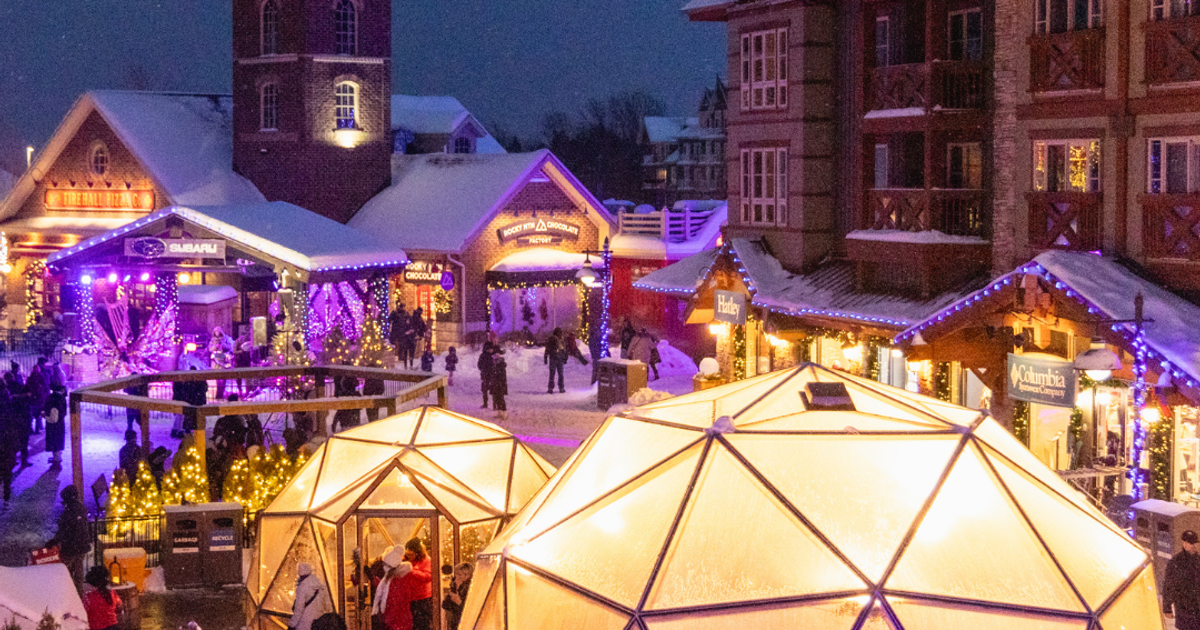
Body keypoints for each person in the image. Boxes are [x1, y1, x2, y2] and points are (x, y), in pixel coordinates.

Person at [49, 485, 91, 591]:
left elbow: (65, 530)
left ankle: (66, 592)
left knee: (65, 569)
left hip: (71, 546)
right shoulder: (81, 508)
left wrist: (54, 541)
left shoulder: (69, 511)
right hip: (82, 545)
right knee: (78, 570)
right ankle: (78, 593)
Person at [1165, 529, 1200, 629]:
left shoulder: (1198, 561)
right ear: (1184, 543)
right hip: (1183, 608)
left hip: (1198, 609)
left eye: (1194, 543)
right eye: (1190, 543)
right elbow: (1169, 585)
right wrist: (1167, 608)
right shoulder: (1175, 562)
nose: (1193, 546)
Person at [374, 548, 413, 630]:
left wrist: (388, 620)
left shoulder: (396, 580)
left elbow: (393, 600)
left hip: (396, 621)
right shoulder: (397, 578)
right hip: (401, 620)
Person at [400, 538, 433, 630]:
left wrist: (412, 571)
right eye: (407, 554)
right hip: (409, 597)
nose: (409, 556)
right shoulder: (405, 559)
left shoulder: (427, 561)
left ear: (418, 553)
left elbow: (428, 576)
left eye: (411, 554)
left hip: (422, 598)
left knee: (423, 624)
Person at [290, 562, 332, 630]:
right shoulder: (320, 585)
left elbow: (298, 609)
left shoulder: (302, 588)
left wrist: (292, 625)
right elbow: (328, 606)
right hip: (318, 623)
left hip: (304, 624)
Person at [82, 566, 122, 630]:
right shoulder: (112, 593)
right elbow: (119, 606)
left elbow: (81, 613)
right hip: (113, 627)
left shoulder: (88, 597)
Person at [442, 562, 473, 630]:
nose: (457, 577)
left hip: (466, 622)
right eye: (456, 574)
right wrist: (455, 589)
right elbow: (445, 605)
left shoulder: (471, 588)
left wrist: (459, 602)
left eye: (459, 575)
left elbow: (469, 609)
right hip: (455, 621)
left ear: (467, 575)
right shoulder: (456, 585)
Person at [44, 384, 67, 466]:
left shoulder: (51, 397)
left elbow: (47, 408)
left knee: (53, 440)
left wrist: (45, 415)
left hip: (52, 424)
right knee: (58, 439)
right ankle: (57, 456)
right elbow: (64, 411)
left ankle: (56, 458)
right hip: (60, 423)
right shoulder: (62, 398)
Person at [26, 357, 48, 434]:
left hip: (33, 398)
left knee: (32, 414)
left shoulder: (31, 377)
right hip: (39, 397)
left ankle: (32, 428)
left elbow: (27, 386)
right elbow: (45, 386)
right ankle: (37, 429)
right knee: (38, 414)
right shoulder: (41, 376)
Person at [544, 328, 565, 394]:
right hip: (556, 358)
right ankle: (560, 388)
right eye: (560, 332)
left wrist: (546, 357)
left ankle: (552, 388)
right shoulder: (553, 339)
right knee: (558, 374)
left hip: (555, 358)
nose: (561, 334)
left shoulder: (560, 339)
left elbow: (547, 348)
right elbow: (548, 348)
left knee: (553, 374)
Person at [490, 350, 508, 419]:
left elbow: (502, 376)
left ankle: (504, 413)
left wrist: (500, 383)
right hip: (495, 384)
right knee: (497, 399)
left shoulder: (501, 365)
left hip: (500, 385)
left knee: (501, 398)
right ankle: (500, 412)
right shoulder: (494, 364)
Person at [477, 343, 495, 409]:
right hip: (486, 375)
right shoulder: (484, 356)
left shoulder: (493, 355)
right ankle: (485, 403)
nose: (491, 350)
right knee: (485, 390)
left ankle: (494, 404)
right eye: (490, 349)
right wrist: (483, 369)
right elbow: (479, 364)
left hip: (491, 375)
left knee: (493, 390)